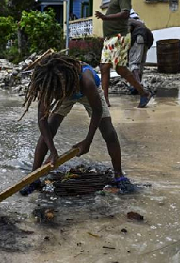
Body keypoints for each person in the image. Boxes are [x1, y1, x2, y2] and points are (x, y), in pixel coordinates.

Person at [18, 53, 135, 195]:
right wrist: (53, 151)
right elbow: (42, 121)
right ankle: (34, 177)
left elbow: (97, 111)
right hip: (65, 91)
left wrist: (88, 141)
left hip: (85, 93)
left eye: (55, 93)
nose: (53, 97)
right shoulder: (49, 85)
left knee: (109, 132)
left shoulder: (87, 81)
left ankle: (118, 174)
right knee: (50, 126)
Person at [94, 0, 152, 108]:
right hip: (111, 38)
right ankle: (104, 100)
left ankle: (144, 93)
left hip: (119, 36)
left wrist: (106, 18)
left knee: (120, 69)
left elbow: (126, 13)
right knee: (104, 67)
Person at [126, 18, 153, 95]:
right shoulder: (138, 22)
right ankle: (137, 86)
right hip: (148, 38)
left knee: (133, 63)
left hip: (139, 36)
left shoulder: (127, 21)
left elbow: (127, 36)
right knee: (140, 64)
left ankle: (138, 87)